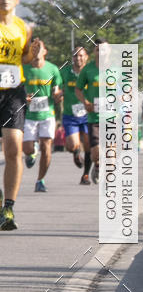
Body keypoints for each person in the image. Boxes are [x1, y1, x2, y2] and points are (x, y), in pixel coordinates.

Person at [0, 0, 41, 229]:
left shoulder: (23, 27)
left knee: (14, 149)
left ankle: (9, 209)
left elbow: (24, 56)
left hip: (14, 91)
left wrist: (32, 54)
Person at [22, 40, 63, 192]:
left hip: (47, 114)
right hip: (29, 116)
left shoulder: (52, 69)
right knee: (26, 149)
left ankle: (40, 180)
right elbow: (17, 89)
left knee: (47, 148)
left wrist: (58, 95)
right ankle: (31, 152)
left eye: (40, 47)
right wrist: (23, 97)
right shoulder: (24, 69)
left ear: (45, 52)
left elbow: (58, 90)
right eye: (34, 47)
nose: (37, 49)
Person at [75, 40, 105, 183]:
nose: (102, 52)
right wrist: (85, 102)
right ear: (94, 52)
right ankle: (97, 165)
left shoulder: (117, 69)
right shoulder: (88, 70)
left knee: (112, 151)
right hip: (95, 117)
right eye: (98, 49)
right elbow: (78, 89)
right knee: (95, 152)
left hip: (113, 117)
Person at [61, 46, 92, 184]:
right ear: (72, 58)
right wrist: (57, 94)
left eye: (81, 55)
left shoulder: (91, 72)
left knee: (88, 145)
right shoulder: (65, 72)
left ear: (86, 57)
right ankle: (75, 152)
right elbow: (57, 86)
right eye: (75, 55)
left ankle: (85, 175)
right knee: (71, 145)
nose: (78, 58)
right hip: (70, 114)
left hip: (88, 115)